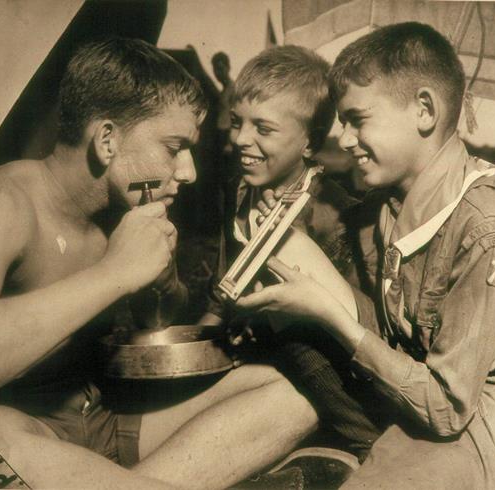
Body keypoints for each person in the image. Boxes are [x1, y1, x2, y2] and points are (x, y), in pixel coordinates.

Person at [237, 23, 495, 489]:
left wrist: (333, 316)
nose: (344, 139)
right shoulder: (387, 203)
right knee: (292, 335)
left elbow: (449, 410)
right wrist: (290, 239)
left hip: (481, 429)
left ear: (424, 110)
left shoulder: (492, 230)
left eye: (357, 119)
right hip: (414, 390)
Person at [0, 37, 318, 490]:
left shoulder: (123, 208)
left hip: (108, 421)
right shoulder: (8, 203)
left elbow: (161, 322)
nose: (188, 172)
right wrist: (114, 274)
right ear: (107, 139)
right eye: (174, 148)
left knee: (295, 395)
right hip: (33, 435)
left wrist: (161, 284)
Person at [197, 45, 386, 472]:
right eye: (236, 122)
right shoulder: (238, 192)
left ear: (309, 142)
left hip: (321, 379)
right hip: (255, 366)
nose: (241, 139)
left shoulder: (335, 214)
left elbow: (358, 327)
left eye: (263, 128)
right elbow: (227, 287)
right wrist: (196, 345)